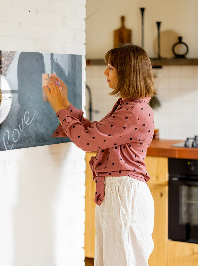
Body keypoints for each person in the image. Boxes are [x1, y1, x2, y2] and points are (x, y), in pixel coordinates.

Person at [44, 44, 156, 266]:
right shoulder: (129, 106)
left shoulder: (133, 111)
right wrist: (65, 103)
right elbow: (95, 133)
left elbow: (87, 141)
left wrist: (59, 108)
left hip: (124, 195)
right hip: (119, 193)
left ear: (127, 72)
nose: (105, 72)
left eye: (111, 67)